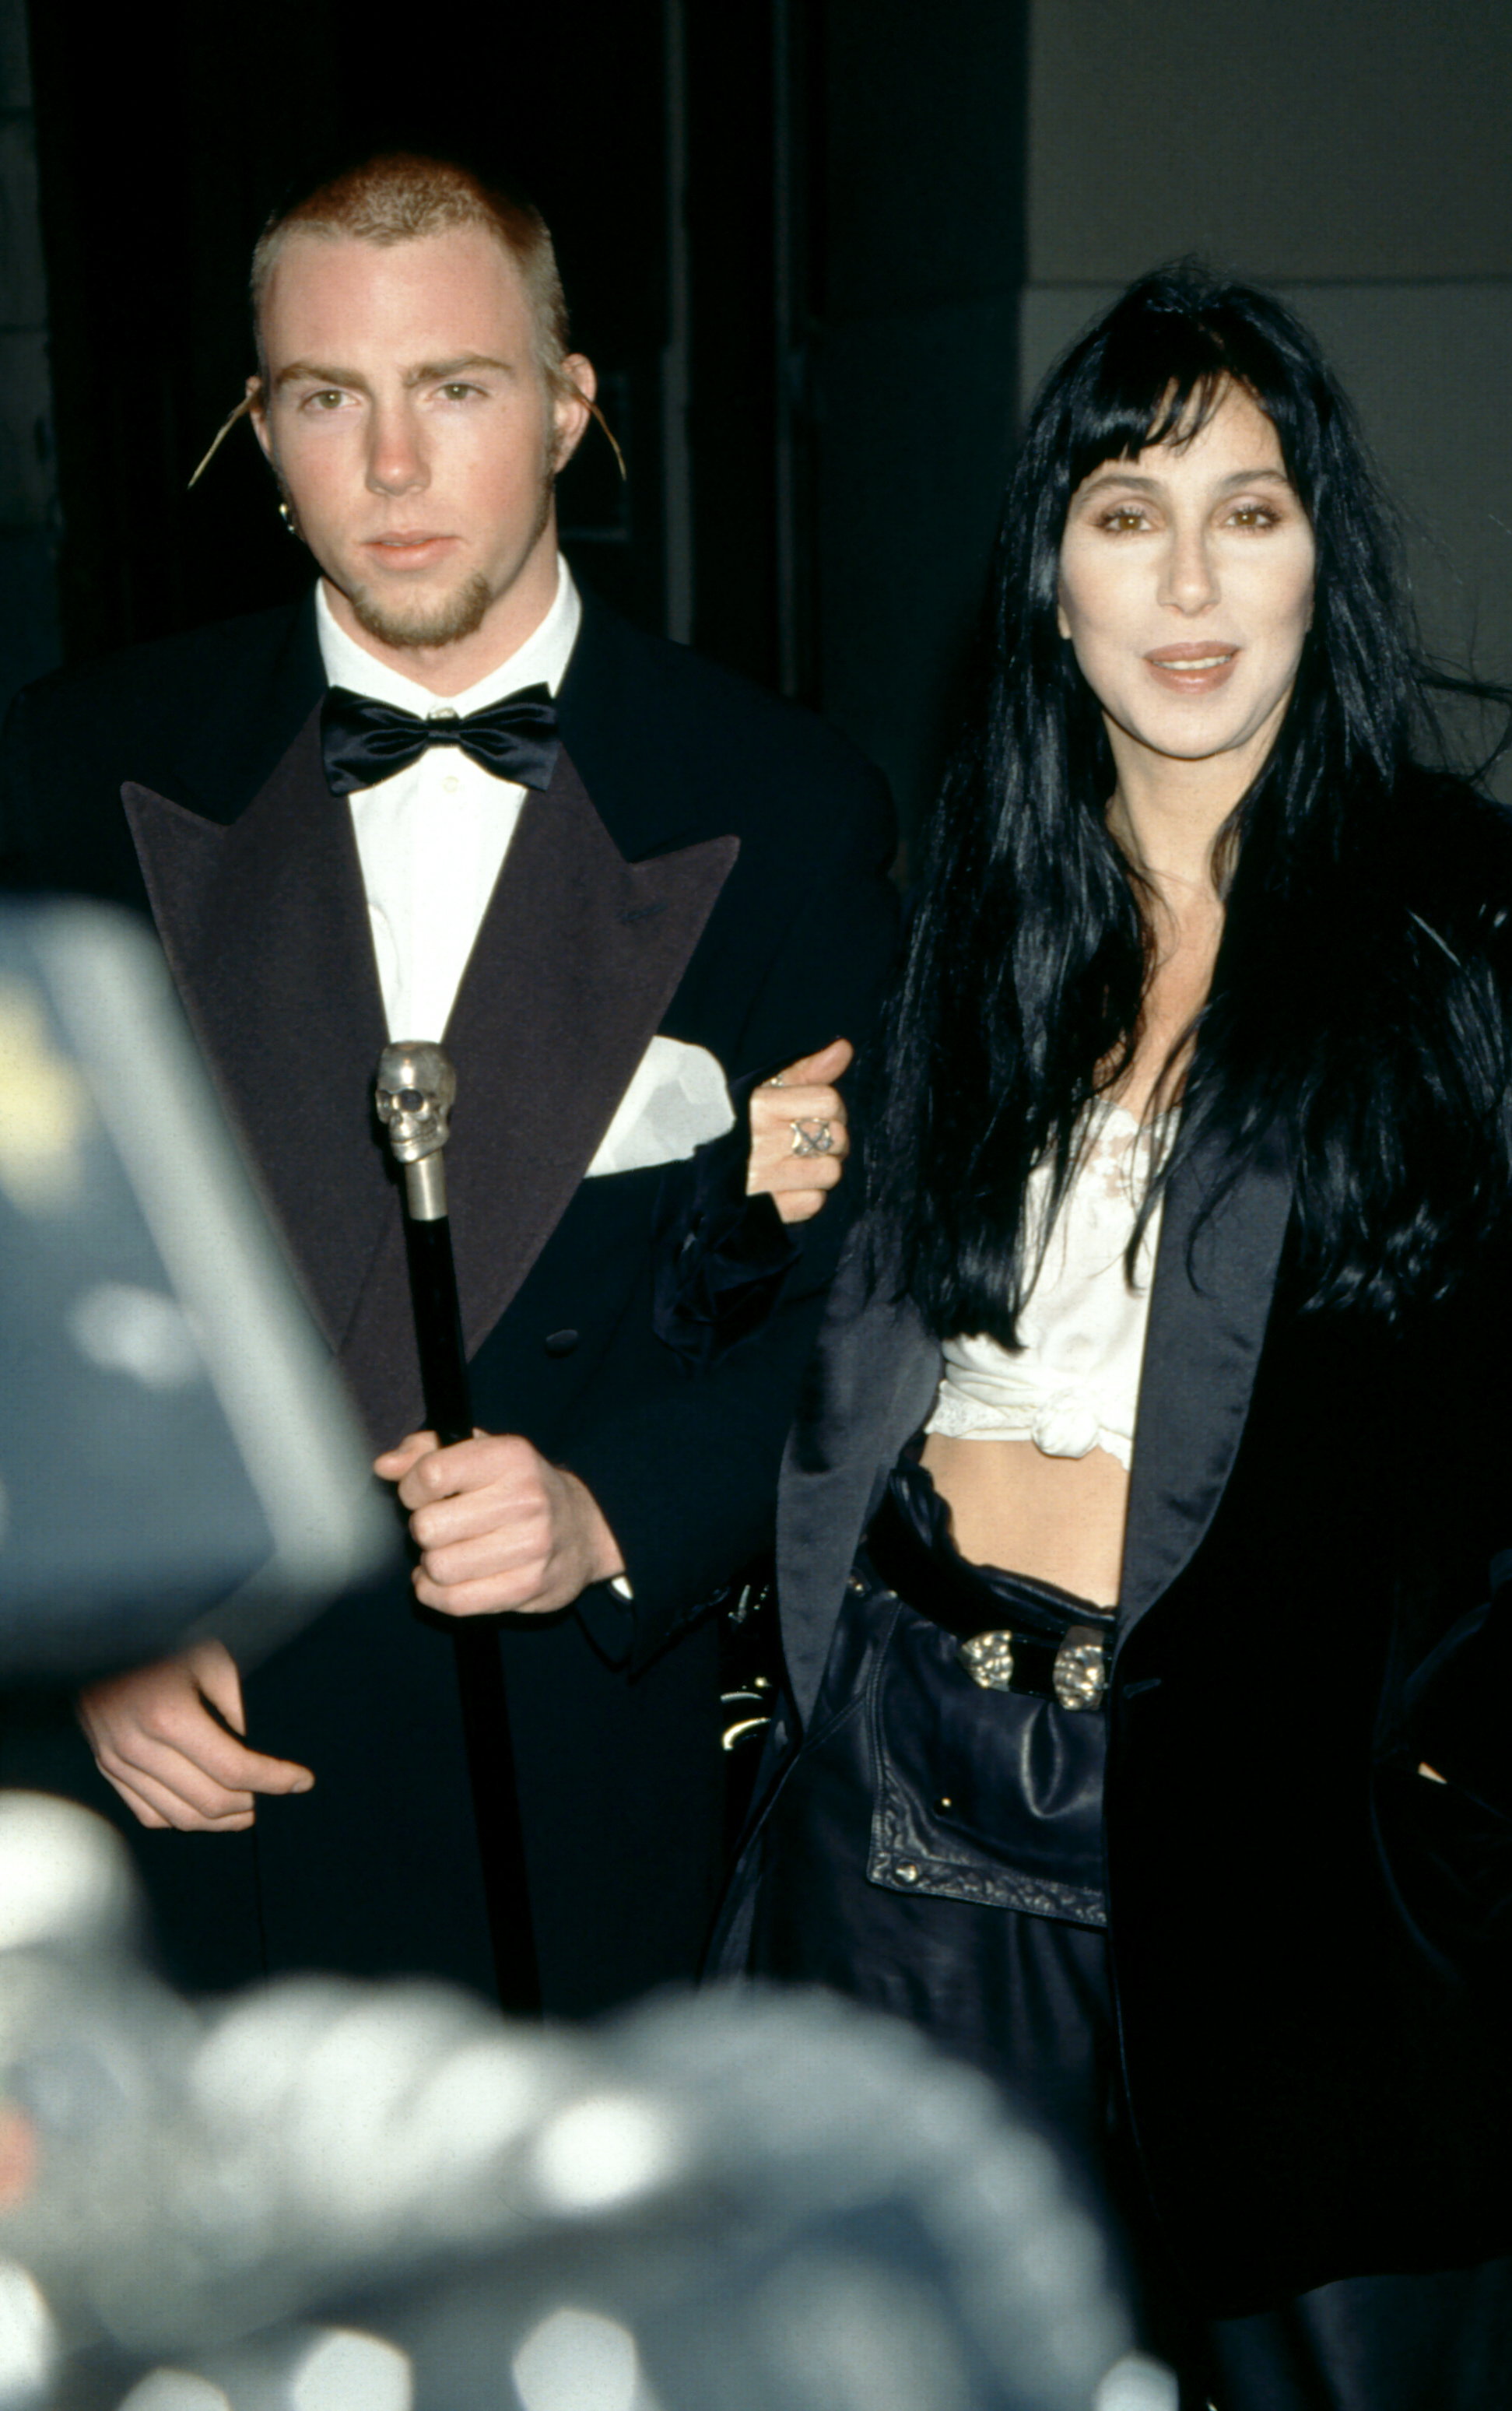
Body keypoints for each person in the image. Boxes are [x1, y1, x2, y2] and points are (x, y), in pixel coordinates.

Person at [723, 265, 1512, 2409]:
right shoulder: (958, 931)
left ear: (1317, 561)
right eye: (1122, 509)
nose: (1184, 577)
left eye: (1246, 513)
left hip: (1303, 1875)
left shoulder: (1492, 928)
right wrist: (773, 1222)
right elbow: (838, 1366)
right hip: (905, 1810)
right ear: (1047, 579)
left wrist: (1456, 1789)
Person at [0, 149, 896, 2018]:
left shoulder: (785, 800)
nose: (393, 471)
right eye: (330, 399)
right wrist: (91, 1623)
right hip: (196, 1781)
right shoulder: (80, 766)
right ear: (262, 428)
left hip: (584, 1774)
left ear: (569, 409)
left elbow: (860, 1295)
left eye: (458, 390)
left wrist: (610, 1511)